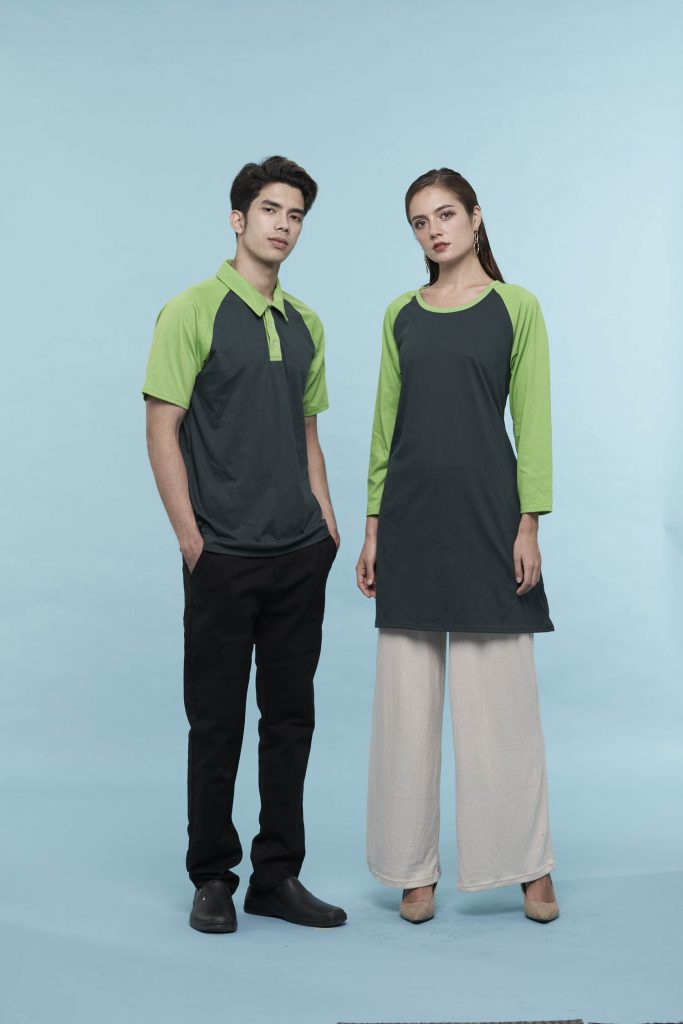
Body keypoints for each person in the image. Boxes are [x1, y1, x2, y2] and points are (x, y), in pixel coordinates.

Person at [143, 155, 346, 933]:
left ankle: (277, 875)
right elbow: (161, 428)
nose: (282, 225)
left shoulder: (306, 324)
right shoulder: (190, 311)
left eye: (295, 215)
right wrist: (191, 540)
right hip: (223, 557)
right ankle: (212, 877)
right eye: (269, 210)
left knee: (290, 721)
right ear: (238, 219)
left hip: (299, 553)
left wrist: (326, 522)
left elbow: (307, 434)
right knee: (216, 723)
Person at [356, 167, 559, 925]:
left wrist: (528, 522)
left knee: (501, 704)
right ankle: (412, 871)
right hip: (410, 521)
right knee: (404, 709)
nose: (433, 230)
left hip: (486, 518)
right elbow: (385, 424)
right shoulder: (400, 315)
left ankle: (526, 864)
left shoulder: (516, 307)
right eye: (419, 221)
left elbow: (532, 422)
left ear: (475, 217)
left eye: (444, 214)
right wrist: (373, 526)